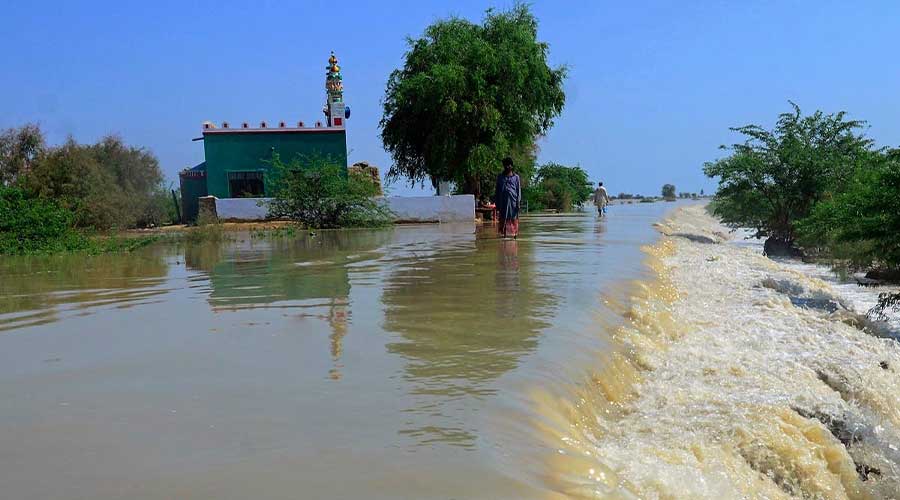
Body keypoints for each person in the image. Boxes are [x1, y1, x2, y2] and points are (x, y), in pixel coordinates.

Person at [494, 157, 522, 238]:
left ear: (511, 166)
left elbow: (518, 190)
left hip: (513, 202)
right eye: (505, 165)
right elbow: (497, 190)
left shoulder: (516, 177)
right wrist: (497, 203)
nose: (507, 167)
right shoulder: (500, 177)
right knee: (503, 218)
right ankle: (503, 236)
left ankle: (514, 236)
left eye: (509, 165)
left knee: (513, 219)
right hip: (502, 202)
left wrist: (518, 202)